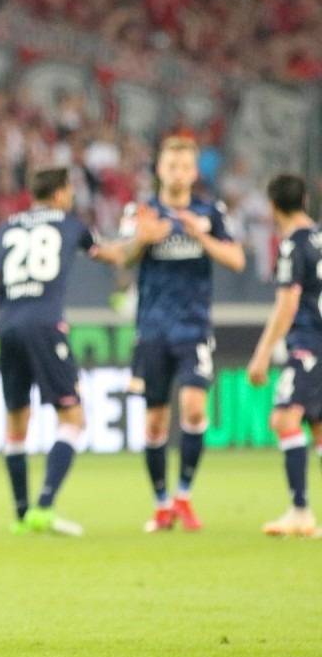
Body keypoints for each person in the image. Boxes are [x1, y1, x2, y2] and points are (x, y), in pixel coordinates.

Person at [0, 167, 123, 536]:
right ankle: (44, 507)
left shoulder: (3, 230)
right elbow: (112, 255)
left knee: (16, 423)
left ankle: (20, 514)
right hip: (46, 326)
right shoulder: (71, 224)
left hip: (8, 329)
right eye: (70, 192)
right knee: (73, 419)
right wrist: (141, 239)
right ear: (60, 193)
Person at [120, 136, 245, 533]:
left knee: (193, 409)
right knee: (155, 422)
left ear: (194, 173)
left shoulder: (210, 212)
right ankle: (161, 505)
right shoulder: (141, 212)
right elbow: (122, 259)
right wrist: (142, 239)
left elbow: (237, 259)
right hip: (152, 328)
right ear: (160, 170)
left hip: (193, 326)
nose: (178, 173)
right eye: (171, 166)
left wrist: (201, 236)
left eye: (185, 167)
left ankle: (184, 496)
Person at [247, 173, 321, 537]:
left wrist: (262, 354)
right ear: (304, 200)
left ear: (273, 206)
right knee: (318, 428)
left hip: (308, 345)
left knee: (284, 419)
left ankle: (300, 511)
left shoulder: (292, 245)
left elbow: (287, 304)